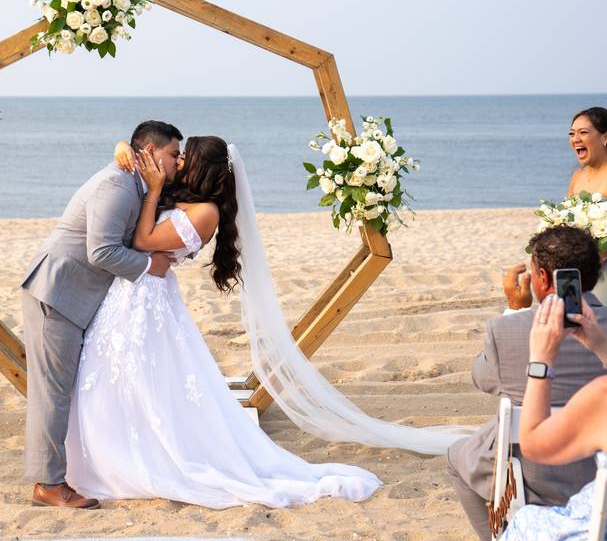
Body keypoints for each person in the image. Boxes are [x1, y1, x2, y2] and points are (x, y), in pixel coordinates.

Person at [63, 136, 382, 509]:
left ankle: (135, 459)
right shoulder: (177, 193)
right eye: (177, 157)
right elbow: (138, 153)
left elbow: (143, 239)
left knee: (143, 378)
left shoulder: (206, 212)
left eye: (186, 159)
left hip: (147, 300)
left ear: (203, 168)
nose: (178, 163)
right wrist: (123, 147)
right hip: (127, 293)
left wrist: (153, 190)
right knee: (111, 376)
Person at [19, 121, 180, 509]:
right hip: (56, 292)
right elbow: (102, 252)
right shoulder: (119, 186)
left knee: (63, 390)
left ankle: (62, 472)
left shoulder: (139, 185)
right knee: (52, 393)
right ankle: (49, 485)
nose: (178, 162)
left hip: (75, 296)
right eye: (174, 154)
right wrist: (148, 265)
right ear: (150, 154)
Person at [446, 225, 607, 541]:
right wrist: (600, 342)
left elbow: (482, 378)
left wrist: (516, 315)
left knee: (459, 455)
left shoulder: (508, 330)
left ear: (541, 278)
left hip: (536, 480)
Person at [499, 294, 607, 539]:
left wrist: (541, 360)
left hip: (592, 532)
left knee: (525, 520)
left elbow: (534, 445)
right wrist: (599, 343)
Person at [567, 106, 607, 308]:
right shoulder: (577, 177)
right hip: (578, 271)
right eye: (572, 133)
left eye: (583, 132)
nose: (575, 139)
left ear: (606, 136)